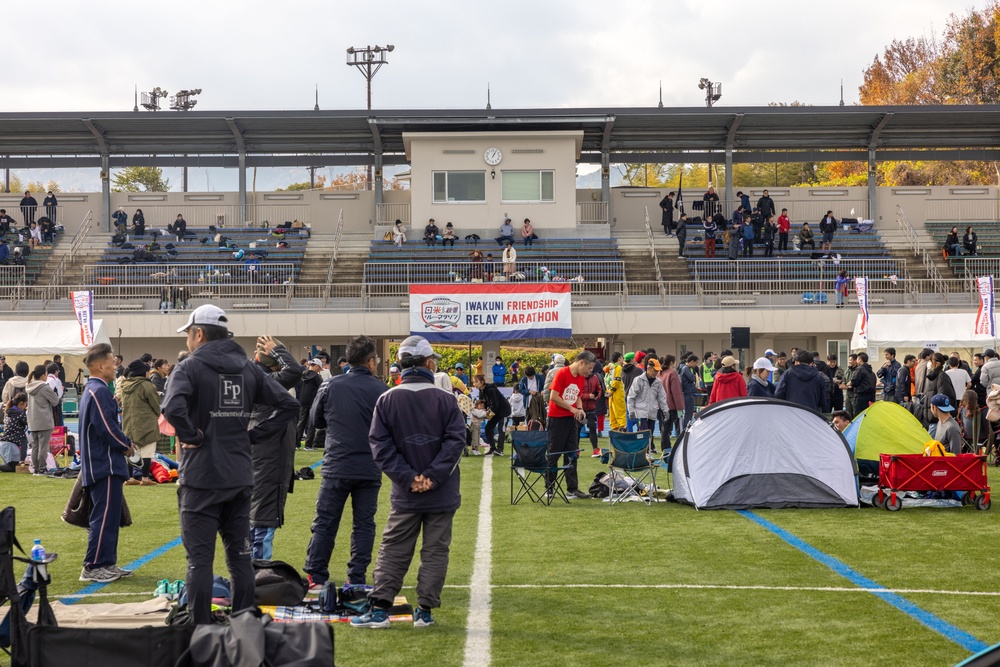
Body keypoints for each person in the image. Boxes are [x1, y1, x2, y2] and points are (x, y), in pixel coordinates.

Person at [162, 304, 299, 625]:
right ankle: (244, 624)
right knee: (240, 557)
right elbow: (289, 405)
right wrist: (253, 435)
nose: (187, 342)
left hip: (201, 478)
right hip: (240, 476)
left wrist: (192, 435)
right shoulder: (247, 368)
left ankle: (200, 630)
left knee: (199, 561)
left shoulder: (190, 368)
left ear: (199, 334)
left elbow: (172, 408)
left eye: (189, 335)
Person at [351, 336, 465, 629]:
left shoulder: (387, 399)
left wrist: (409, 478)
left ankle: (379, 610)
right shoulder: (446, 399)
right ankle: (424, 612)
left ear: (400, 364)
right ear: (429, 363)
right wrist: (431, 477)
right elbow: (455, 444)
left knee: (394, 549)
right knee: (435, 551)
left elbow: (380, 446)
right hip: (441, 491)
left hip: (406, 493)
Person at [305, 335, 388, 590]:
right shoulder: (382, 390)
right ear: (372, 362)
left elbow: (314, 422)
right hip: (368, 467)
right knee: (364, 525)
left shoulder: (331, 386)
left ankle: (316, 576)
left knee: (325, 522)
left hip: (336, 465)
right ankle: (357, 577)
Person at [78, 343, 135, 583]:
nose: (115, 365)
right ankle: (93, 566)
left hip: (102, 464)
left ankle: (107, 563)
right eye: (112, 361)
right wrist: (127, 444)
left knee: (109, 517)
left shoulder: (95, 389)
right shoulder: (98, 390)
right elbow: (107, 429)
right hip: (105, 465)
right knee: (103, 518)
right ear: (101, 366)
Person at [249, 336, 304, 560]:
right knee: (264, 512)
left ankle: (251, 565)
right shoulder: (265, 379)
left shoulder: (252, 375)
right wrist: (278, 349)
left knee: (256, 510)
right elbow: (294, 372)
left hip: (259, 451)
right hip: (268, 454)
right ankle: (259, 567)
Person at [543, 351, 596, 500]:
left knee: (572, 454)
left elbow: (577, 396)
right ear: (581, 363)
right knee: (554, 454)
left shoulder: (580, 378)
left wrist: (579, 409)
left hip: (571, 420)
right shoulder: (561, 373)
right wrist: (571, 408)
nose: (589, 371)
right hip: (556, 420)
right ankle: (549, 487)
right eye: (589, 368)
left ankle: (572, 489)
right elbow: (553, 396)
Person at [119, 359, 160, 485]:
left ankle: (130, 478)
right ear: (143, 372)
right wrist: (157, 413)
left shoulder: (124, 385)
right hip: (146, 422)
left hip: (129, 422)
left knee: (131, 449)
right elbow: (155, 404)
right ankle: (145, 478)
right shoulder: (147, 385)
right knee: (147, 450)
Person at [626, 357, 668, 449]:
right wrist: (631, 411)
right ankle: (641, 452)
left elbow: (662, 398)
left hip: (652, 412)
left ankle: (648, 452)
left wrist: (665, 411)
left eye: (658, 371)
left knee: (650, 434)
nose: (657, 373)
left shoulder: (658, 382)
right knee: (642, 433)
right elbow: (631, 396)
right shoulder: (638, 380)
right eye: (655, 370)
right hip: (641, 413)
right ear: (649, 368)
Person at [26, 365, 59, 474]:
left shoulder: (29, 386)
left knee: (35, 446)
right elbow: (55, 401)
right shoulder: (44, 387)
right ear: (42, 375)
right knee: (43, 446)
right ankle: (41, 468)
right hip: (44, 420)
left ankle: (35, 468)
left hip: (33, 420)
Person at [472, 374, 510, 456]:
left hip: (503, 411)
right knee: (488, 428)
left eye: (476, 382)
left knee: (501, 429)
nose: (475, 384)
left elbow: (495, 405)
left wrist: (487, 415)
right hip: (495, 412)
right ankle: (493, 448)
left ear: (482, 382)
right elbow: (484, 404)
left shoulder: (491, 390)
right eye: (474, 382)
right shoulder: (481, 391)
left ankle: (500, 450)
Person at [919, 353, 957, 432]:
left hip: (937, 419)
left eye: (930, 361)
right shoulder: (932, 377)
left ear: (937, 363)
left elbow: (943, 396)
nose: (928, 363)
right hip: (931, 418)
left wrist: (937, 413)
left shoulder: (942, 376)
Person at [658, 355, 684, 450]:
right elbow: (676, 392)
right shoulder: (672, 374)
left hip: (663, 405)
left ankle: (665, 448)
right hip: (673, 406)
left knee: (665, 428)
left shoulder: (660, 373)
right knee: (679, 428)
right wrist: (680, 406)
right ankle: (680, 447)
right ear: (672, 362)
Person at [297, 359, 323, 446]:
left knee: (301, 422)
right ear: (316, 366)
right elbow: (321, 390)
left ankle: (296, 443)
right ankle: (308, 444)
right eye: (319, 368)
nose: (319, 370)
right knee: (311, 423)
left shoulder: (302, 375)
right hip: (313, 402)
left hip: (302, 401)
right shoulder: (317, 377)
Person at [582, 364, 604, 457]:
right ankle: (575, 450)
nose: (591, 370)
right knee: (577, 429)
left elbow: (599, 389)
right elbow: (577, 394)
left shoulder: (595, 377)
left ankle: (595, 449)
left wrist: (597, 396)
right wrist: (588, 396)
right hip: (580, 409)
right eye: (589, 368)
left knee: (592, 428)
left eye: (592, 368)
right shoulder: (579, 378)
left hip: (591, 409)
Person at [604, 352, 626, 431]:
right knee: (620, 411)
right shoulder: (618, 368)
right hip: (617, 393)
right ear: (619, 358)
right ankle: (622, 427)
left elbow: (606, 380)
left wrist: (608, 392)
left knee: (612, 412)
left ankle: (614, 428)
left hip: (609, 393)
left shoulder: (608, 367)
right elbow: (617, 381)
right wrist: (611, 391)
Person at [4, 392, 28, 463]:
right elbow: (28, 422)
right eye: (25, 403)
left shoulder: (9, 411)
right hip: (15, 438)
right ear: (21, 404)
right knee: (24, 439)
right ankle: (22, 461)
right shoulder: (19, 414)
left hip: (7, 437)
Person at [679, 355, 699, 431]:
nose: (696, 365)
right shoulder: (686, 369)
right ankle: (686, 429)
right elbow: (692, 378)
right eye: (696, 363)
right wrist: (695, 377)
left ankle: (686, 428)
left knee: (689, 413)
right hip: (688, 393)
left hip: (688, 393)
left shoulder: (685, 368)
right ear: (691, 362)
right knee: (689, 413)